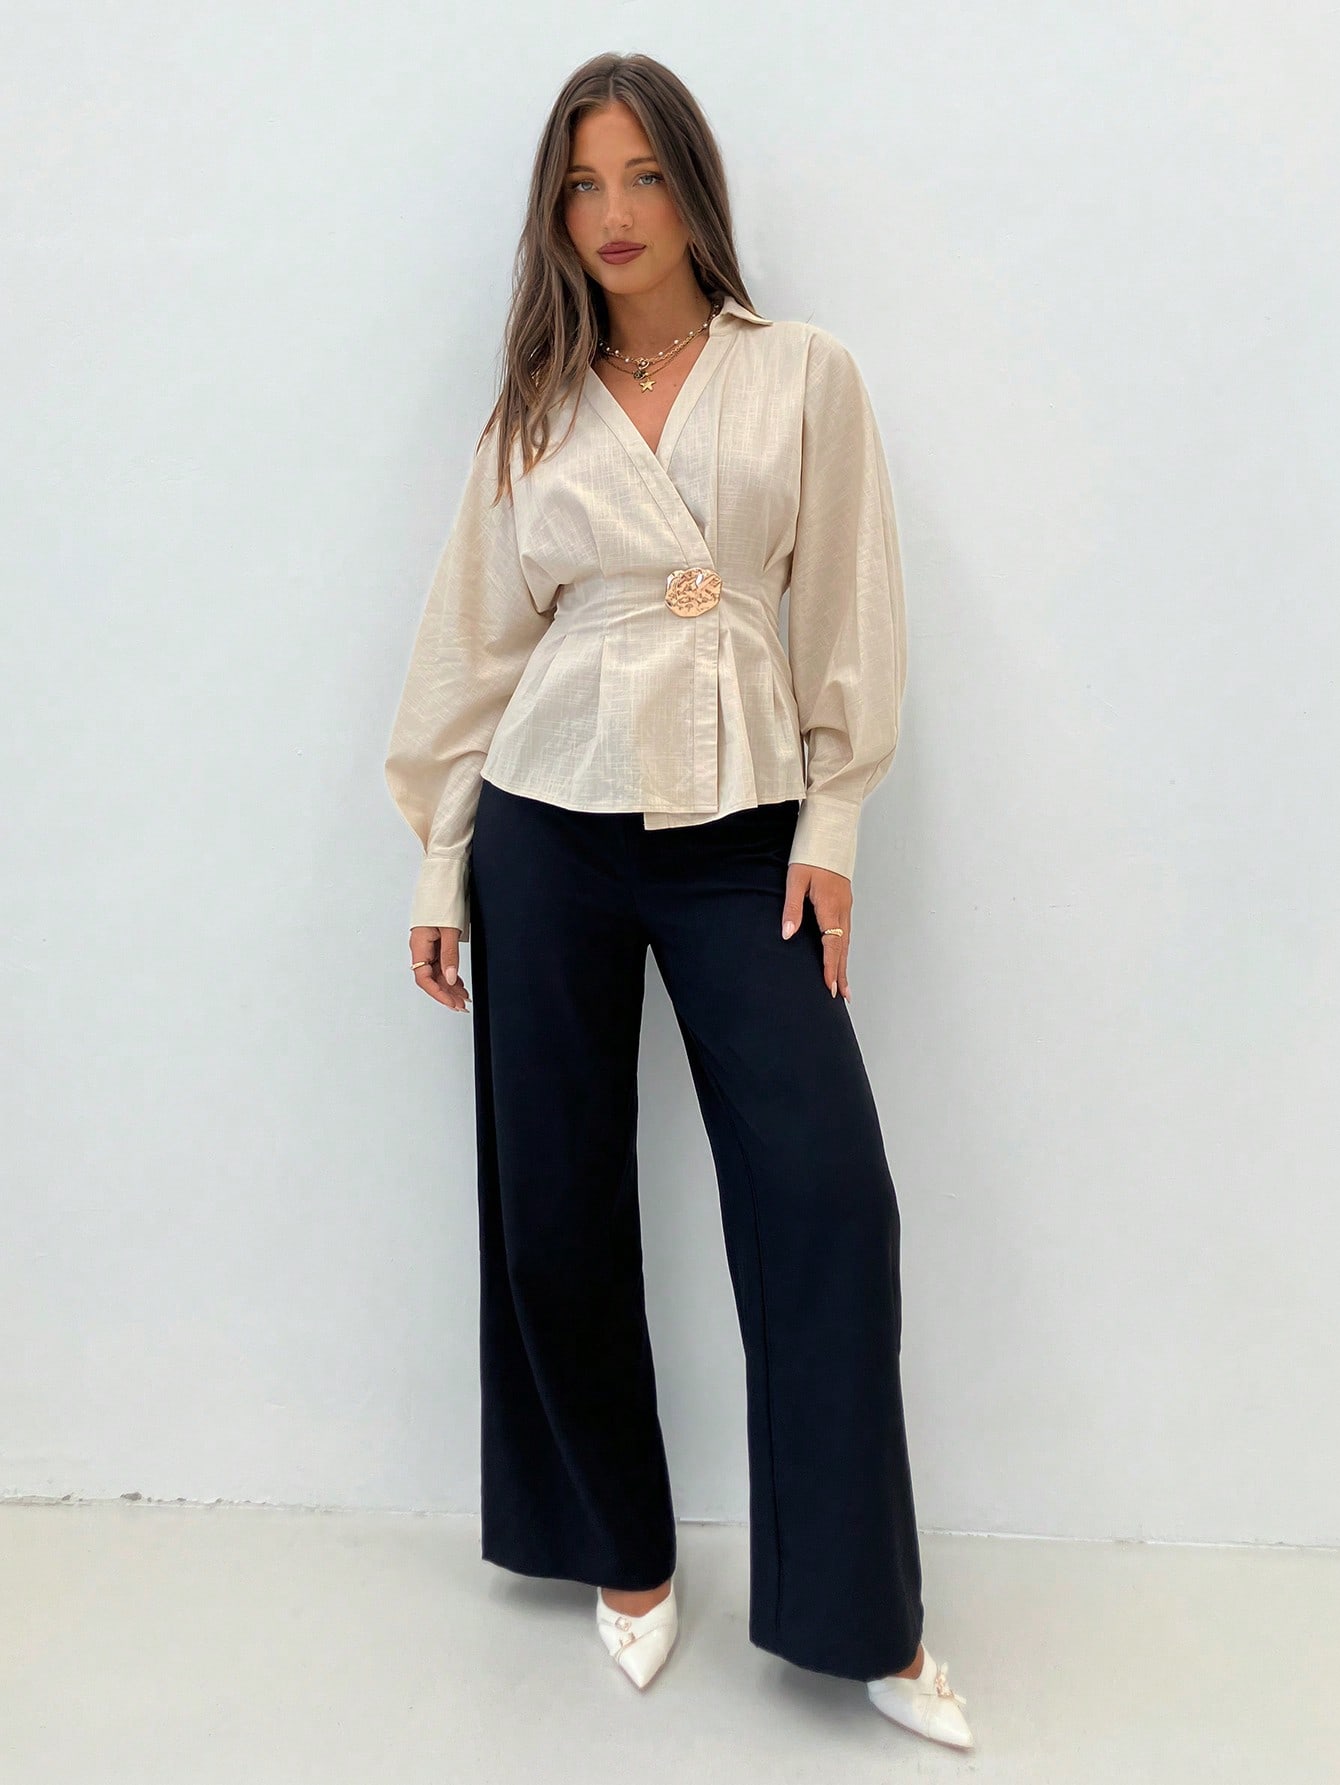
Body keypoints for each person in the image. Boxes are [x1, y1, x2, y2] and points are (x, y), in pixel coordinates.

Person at [384, 50, 973, 1754]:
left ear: (695, 190)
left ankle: (863, 1612)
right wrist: (441, 853)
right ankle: (619, 1550)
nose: (615, 213)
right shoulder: (534, 408)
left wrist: (833, 820)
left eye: (643, 175)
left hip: (742, 833)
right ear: (554, 210)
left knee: (827, 1202)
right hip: (547, 827)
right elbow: (474, 640)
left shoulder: (804, 375)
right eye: (584, 183)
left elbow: (848, 603)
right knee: (552, 1199)